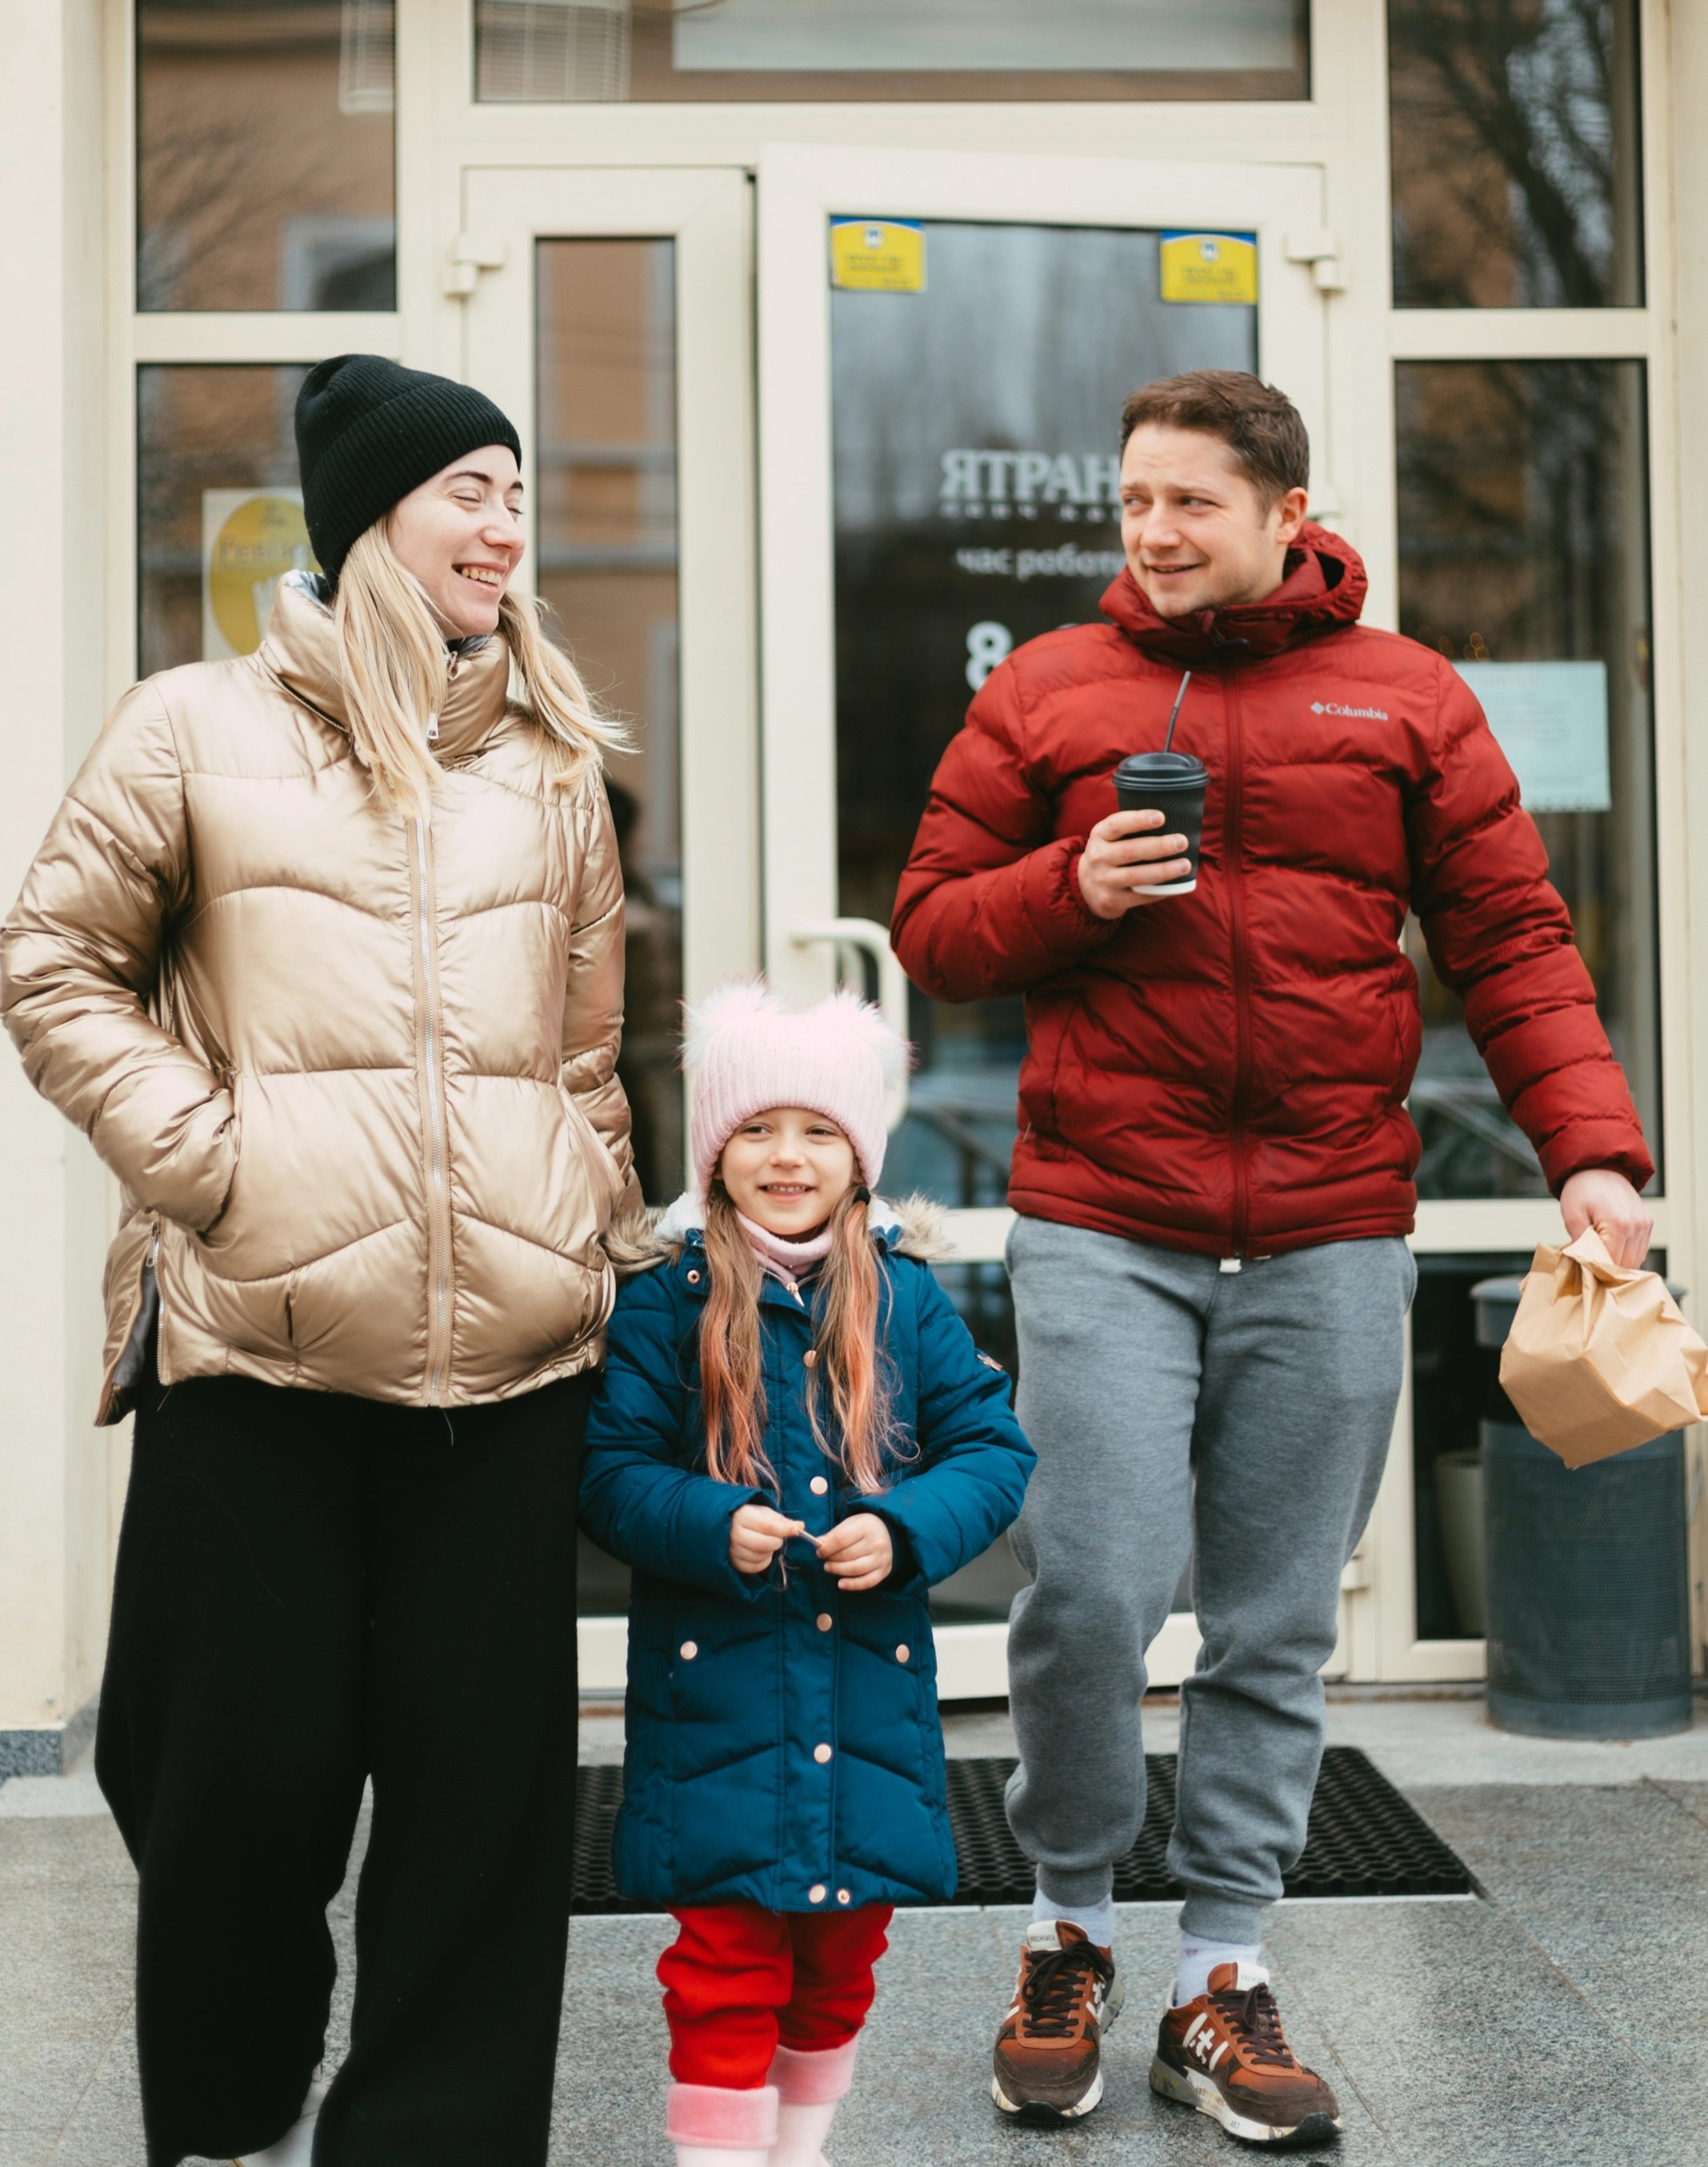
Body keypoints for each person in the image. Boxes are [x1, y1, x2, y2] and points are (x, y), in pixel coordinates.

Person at [891, 369, 1653, 2150]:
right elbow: (932, 924)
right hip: (1107, 1219)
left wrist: (1595, 1155)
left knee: (1274, 1622)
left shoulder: (1405, 701)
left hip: (1325, 1230)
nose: (1154, 534)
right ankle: (1067, 1923)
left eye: (1191, 505)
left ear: (1286, 514)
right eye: (1135, 501)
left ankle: (1219, 1971)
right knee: (1087, 1592)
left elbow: (1514, 940)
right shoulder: (1051, 688)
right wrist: (1067, 891)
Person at [1, 356, 637, 2167]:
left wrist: (589, 1210)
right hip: (257, 1348)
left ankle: (428, 2139)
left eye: (519, 491)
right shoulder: (190, 726)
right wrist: (215, 1166)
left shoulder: (551, 765)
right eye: (470, 488)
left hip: (508, 1369)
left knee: (479, 1812)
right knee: (226, 1781)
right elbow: (51, 967)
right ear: (373, 519)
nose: (506, 523)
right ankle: (224, 2098)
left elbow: (586, 1050)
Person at [579, 981, 1035, 2167]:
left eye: (820, 1131)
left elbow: (993, 1448)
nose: (787, 1157)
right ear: (716, 1149)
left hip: (866, 1693)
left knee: (843, 1956)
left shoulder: (908, 1299)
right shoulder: (664, 1302)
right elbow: (609, 1471)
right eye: (757, 1130)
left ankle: (801, 2146)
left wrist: (909, 1527)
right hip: (715, 1697)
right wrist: (705, 1520)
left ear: (863, 1155)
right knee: (725, 1958)